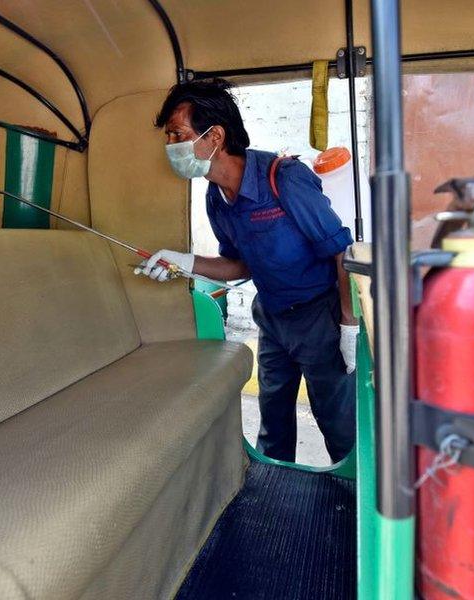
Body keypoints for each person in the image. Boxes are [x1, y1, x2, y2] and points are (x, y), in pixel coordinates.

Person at [142, 79, 356, 463]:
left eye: (178, 134)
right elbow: (238, 264)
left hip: (319, 318)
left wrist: (348, 324)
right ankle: (274, 496)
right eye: (168, 135)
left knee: (339, 427)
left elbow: (341, 249)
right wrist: (181, 262)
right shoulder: (216, 197)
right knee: (273, 425)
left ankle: (355, 506)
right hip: (272, 319)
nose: (169, 145)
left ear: (215, 136)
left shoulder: (282, 178)